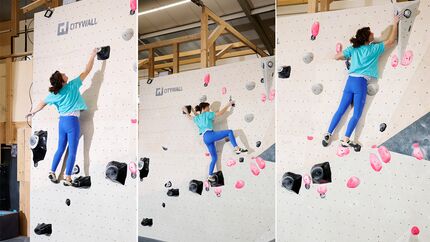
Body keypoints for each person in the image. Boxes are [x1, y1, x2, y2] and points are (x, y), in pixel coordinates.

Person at [322, 15, 400, 148]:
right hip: (360, 83)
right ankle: (345, 139)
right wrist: (395, 23)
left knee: (340, 109)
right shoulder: (373, 49)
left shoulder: (353, 49)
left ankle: (328, 133)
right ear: (367, 37)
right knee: (357, 113)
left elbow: (337, 57)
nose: (373, 34)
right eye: (371, 33)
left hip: (350, 81)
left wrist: (346, 58)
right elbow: (391, 41)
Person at [26, 49, 97, 186]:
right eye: (63, 74)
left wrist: (33, 112)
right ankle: (68, 177)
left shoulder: (55, 93)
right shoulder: (72, 86)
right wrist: (92, 55)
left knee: (60, 148)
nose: (65, 74)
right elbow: (87, 70)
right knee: (72, 151)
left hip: (62, 122)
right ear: (62, 81)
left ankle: (52, 171)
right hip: (72, 122)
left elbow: (42, 103)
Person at [183, 101, 248, 182]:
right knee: (229, 132)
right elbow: (220, 113)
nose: (209, 108)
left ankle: (210, 175)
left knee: (214, 158)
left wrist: (188, 111)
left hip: (205, 139)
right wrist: (228, 105)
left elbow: (190, 116)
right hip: (210, 135)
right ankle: (236, 148)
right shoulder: (207, 114)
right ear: (204, 108)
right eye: (208, 107)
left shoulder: (197, 118)